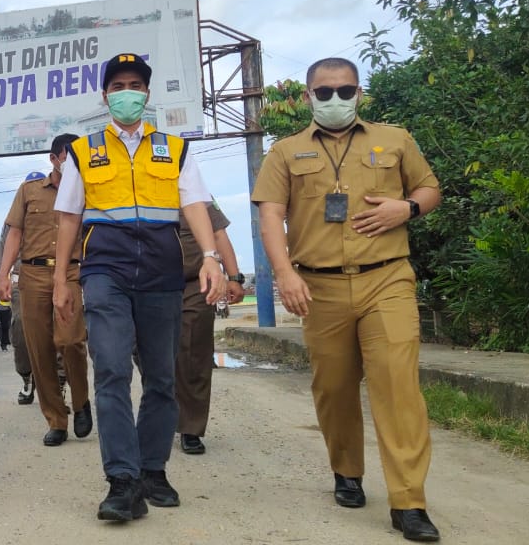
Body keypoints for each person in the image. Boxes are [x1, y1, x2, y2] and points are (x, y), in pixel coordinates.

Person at [252, 57, 442, 542]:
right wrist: (283, 274)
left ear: (359, 94)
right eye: (323, 92)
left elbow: (429, 187)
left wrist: (409, 207)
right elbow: (271, 216)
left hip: (387, 279)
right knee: (334, 388)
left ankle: (409, 501)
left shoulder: (394, 139)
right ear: (308, 96)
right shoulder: (285, 151)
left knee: (398, 387)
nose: (334, 99)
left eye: (345, 90)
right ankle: (347, 472)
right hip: (319, 287)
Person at [52, 53, 225, 522]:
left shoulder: (174, 148)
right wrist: (61, 280)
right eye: (117, 84)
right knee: (110, 369)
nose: (126, 91)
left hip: (162, 270)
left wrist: (211, 259)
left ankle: (153, 469)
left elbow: (195, 206)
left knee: (161, 378)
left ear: (146, 94)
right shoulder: (83, 151)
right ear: (105, 94)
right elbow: (68, 218)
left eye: (135, 84)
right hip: (104, 268)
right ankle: (123, 481)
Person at [0, 141, 92, 447]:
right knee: (39, 348)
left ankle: (81, 402)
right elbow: (15, 233)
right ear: (53, 158)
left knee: (71, 340)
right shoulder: (29, 191)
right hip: (33, 273)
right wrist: (2, 274)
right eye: (68, 157)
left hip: (72, 273)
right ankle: (56, 419)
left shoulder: (89, 190)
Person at [132, 199, 245, 455]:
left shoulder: (198, 196)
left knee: (194, 354)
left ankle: (191, 428)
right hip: (150, 285)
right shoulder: (141, 187)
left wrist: (234, 277)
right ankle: (164, 405)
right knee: (148, 353)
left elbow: (219, 235)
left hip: (195, 284)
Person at [0, 222, 35, 405]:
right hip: (20, 281)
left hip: (55, 277)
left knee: (58, 334)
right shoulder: (17, 212)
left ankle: (58, 384)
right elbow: (1, 250)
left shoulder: (64, 198)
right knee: (20, 327)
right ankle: (27, 377)